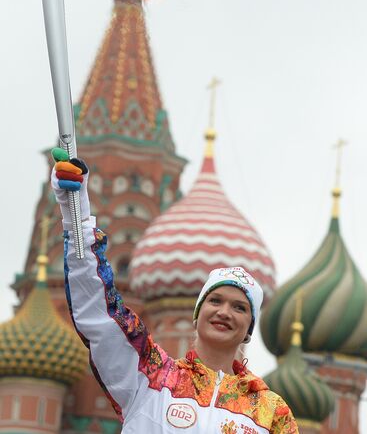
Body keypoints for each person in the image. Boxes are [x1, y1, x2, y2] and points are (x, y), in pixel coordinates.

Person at [51, 148, 299, 434]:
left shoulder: (270, 412)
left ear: (248, 329)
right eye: (215, 300)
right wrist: (75, 212)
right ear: (198, 314)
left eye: (239, 307)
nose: (224, 312)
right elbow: (100, 313)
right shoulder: (151, 375)